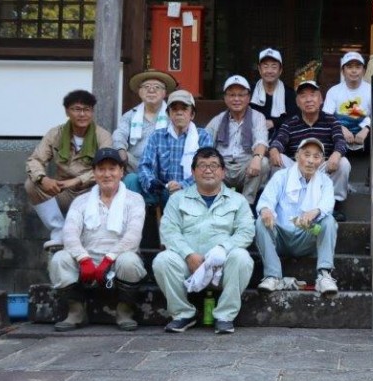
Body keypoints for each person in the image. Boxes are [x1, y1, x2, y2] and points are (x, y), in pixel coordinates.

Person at [152, 147, 255, 334]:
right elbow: (169, 231)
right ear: (193, 172)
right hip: (188, 266)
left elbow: (246, 231)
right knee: (163, 260)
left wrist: (224, 249)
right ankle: (183, 314)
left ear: (223, 172)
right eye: (202, 166)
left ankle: (224, 316)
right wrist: (188, 255)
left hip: (222, 268)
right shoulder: (178, 199)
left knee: (242, 257)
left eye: (214, 165)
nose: (208, 170)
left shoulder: (237, 200)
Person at [49, 148, 147, 332]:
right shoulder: (81, 201)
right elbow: (69, 233)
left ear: (121, 172)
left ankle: (124, 311)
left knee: (130, 262)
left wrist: (109, 258)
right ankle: (76, 311)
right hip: (86, 259)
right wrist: (83, 258)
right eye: (101, 169)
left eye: (112, 168)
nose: (107, 174)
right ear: (94, 173)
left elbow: (133, 236)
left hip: (117, 259)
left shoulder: (135, 200)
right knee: (59, 259)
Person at [26, 90, 113, 248]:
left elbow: (107, 169)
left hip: (92, 191)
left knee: (110, 184)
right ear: (67, 111)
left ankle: (94, 236)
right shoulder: (55, 134)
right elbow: (35, 160)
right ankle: (59, 230)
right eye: (76, 109)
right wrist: (43, 178)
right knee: (31, 184)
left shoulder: (103, 136)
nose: (82, 114)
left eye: (86, 109)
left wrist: (78, 180)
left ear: (92, 112)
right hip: (63, 191)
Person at [255, 137, 339, 296]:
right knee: (260, 221)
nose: (310, 161)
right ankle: (273, 276)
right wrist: (266, 210)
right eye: (306, 155)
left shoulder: (324, 181)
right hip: (279, 233)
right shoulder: (281, 176)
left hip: (307, 232)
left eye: (316, 156)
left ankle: (324, 275)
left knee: (329, 221)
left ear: (321, 160)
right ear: (297, 156)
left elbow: (328, 204)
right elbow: (266, 200)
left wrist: (316, 211)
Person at [269, 80, 350, 222]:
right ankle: (281, 204)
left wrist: (336, 154)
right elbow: (278, 140)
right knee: (277, 159)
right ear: (298, 102)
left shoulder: (331, 121)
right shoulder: (290, 122)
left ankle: (333, 205)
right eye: (303, 96)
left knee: (343, 163)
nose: (308, 100)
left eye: (313, 95)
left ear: (321, 99)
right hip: (297, 169)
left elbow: (341, 142)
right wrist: (274, 150)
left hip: (322, 168)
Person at [137, 90, 213, 208]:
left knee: (177, 195)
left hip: (194, 191)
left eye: (184, 109)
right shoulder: (157, 136)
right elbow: (145, 165)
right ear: (168, 114)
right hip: (163, 190)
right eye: (174, 109)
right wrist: (151, 182)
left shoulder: (202, 136)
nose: (179, 113)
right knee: (132, 180)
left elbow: (207, 169)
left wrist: (182, 185)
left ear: (192, 114)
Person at [205, 75, 270, 206]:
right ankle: (220, 203)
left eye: (241, 95)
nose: (236, 99)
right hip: (222, 167)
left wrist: (257, 158)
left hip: (246, 167)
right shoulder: (218, 119)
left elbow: (261, 140)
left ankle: (246, 205)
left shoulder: (257, 117)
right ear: (225, 98)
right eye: (232, 95)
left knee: (263, 162)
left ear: (249, 97)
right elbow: (204, 144)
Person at [112, 69, 177, 200]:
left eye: (157, 87)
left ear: (164, 93)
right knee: (129, 176)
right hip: (135, 166)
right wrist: (120, 149)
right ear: (140, 92)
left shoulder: (172, 115)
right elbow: (120, 134)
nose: (151, 90)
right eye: (146, 87)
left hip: (163, 167)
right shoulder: (130, 115)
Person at [322, 51, 373, 152]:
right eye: (349, 67)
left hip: (366, 137)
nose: (354, 71)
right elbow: (326, 116)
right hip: (339, 136)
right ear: (343, 71)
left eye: (358, 67)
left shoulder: (372, 90)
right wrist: (341, 128)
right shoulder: (333, 91)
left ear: (363, 71)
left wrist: (367, 129)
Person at [250, 47, 299, 140]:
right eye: (265, 66)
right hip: (252, 137)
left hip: (281, 140)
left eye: (274, 67)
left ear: (280, 70)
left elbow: (294, 119)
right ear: (259, 70)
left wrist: (273, 123)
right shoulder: (250, 92)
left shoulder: (289, 93)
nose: (269, 71)